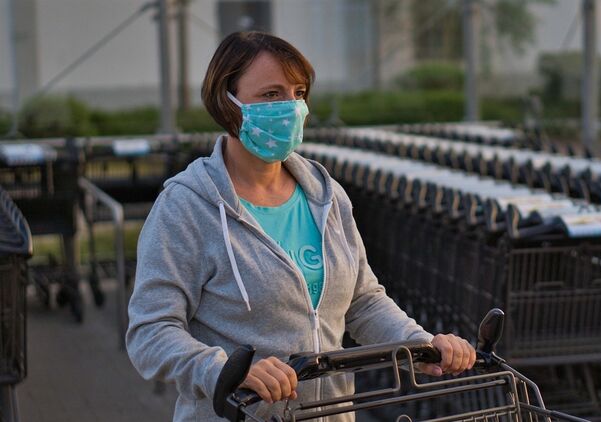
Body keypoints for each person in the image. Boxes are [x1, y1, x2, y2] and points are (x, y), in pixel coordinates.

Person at [126, 31, 476, 422]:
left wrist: (418, 344)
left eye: (298, 93)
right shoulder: (187, 206)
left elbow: (362, 301)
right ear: (227, 102)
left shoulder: (325, 196)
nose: (291, 107)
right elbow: (151, 331)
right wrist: (223, 371)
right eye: (271, 94)